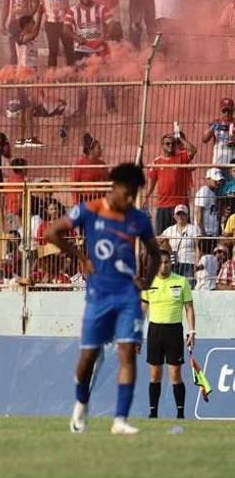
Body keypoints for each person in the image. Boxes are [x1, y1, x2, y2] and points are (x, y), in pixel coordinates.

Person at [44, 162, 161, 435]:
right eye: (128, 192)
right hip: (98, 295)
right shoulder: (90, 210)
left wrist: (145, 284)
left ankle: (120, 420)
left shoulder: (138, 219)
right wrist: (81, 257)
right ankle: (81, 404)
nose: (131, 199)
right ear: (115, 187)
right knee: (88, 357)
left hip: (128, 296)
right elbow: (52, 232)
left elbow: (154, 254)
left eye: (135, 194)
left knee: (127, 353)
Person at [141, 253, 197, 420]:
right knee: (155, 375)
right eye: (160, 262)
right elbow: (142, 310)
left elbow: (189, 309)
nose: (163, 265)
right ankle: (153, 413)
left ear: (170, 264)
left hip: (174, 331)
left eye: (166, 262)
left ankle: (180, 414)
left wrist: (192, 331)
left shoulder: (181, 282)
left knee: (175, 374)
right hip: (155, 331)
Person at [147, 130, 198, 234]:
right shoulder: (157, 161)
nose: (170, 145)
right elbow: (152, 182)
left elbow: (192, 150)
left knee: (183, 236)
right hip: (163, 205)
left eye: (173, 143)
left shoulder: (181, 157)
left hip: (180, 204)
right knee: (162, 237)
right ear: (162, 145)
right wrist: (147, 196)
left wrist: (180, 139)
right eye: (167, 143)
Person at [161, 205, 203, 280]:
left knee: (189, 287)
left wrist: (197, 262)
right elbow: (159, 240)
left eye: (183, 214)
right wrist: (168, 248)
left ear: (187, 216)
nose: (181, 216)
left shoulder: (194, 229)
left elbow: (199, 247)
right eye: (178, 214)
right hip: (174, 263)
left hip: (189, 262)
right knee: (174, 288)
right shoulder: (169, 230)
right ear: (174, 216)